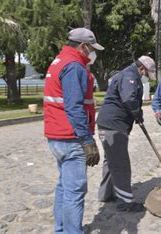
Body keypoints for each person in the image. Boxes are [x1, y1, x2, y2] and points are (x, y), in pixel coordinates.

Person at [44, 27, 102, 233]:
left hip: (56, 135)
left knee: (64, 187)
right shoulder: (74, 66)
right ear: (83, 46)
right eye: (91, 49)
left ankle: (61, 230)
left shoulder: (59, 61)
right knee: (75, 192)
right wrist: (87, 140)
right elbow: (73, 106)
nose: (92, 53)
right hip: (71, 138)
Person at [96, 55, 156, 212]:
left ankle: (106, 194)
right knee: (121, 164)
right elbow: (129, 98)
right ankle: (125, 202)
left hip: (106, 124)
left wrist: (138, 114)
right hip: (113, 126)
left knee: (111, 160)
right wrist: (137, 114)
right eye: (146, 73)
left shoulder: (128, 74)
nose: (145, 76)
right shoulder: (129, 76)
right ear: (141, 68)